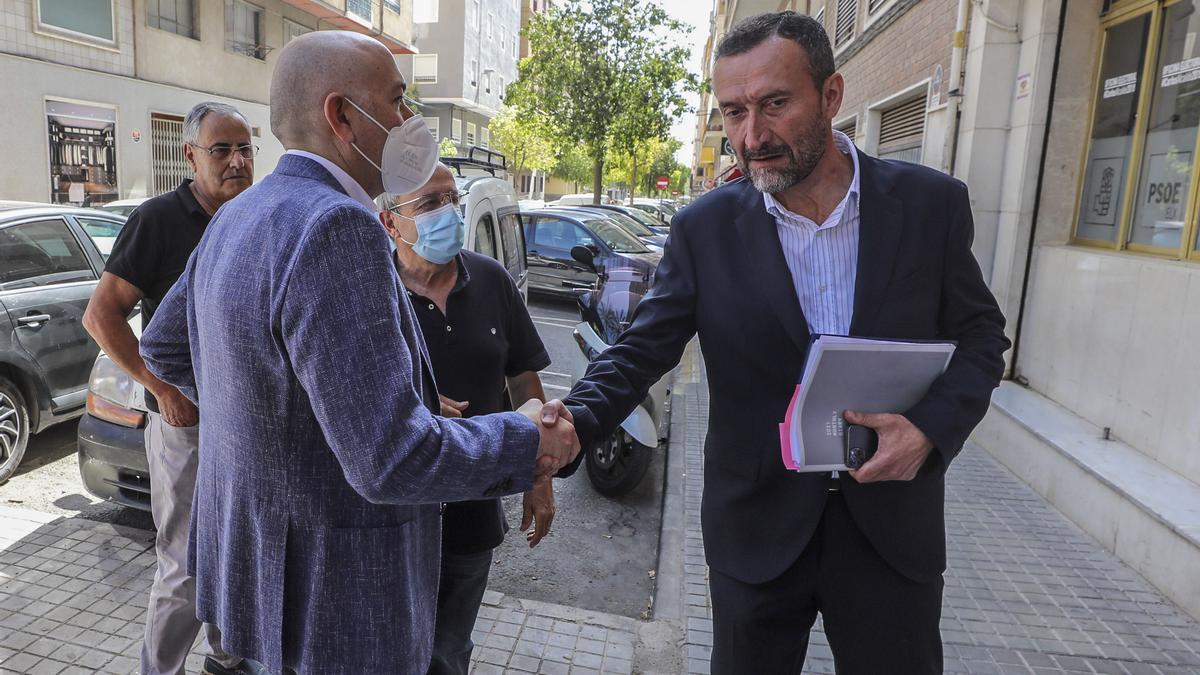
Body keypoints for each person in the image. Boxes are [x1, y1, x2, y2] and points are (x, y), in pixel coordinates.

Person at [556, 12, 1010, 674]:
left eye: (774, 103)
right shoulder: (704, 228)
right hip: (755, 533)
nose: (751, 135)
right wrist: (570, 422)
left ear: (830, 95)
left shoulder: (929, 205)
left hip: (890, 527)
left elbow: (981, 337)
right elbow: (641, 349)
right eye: (733, 111)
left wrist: (930, 430)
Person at [138, 31, 579, 675]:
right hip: (333, 605)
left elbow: (168, 349)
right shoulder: (335, 226)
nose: (409, 121)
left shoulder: (238, 213)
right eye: (398, 101)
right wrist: (523, 442)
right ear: (341, 115)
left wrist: (299, 424)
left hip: (254, 583)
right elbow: (389, 460)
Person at [83, 102, 264, 675]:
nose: (237, 162)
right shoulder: (160, 220)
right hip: (186, 417)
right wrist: (159, 388)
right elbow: (101, 315)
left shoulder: (256, 216)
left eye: (245, 149)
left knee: (238, 547)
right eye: (221, 151)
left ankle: (228, 656)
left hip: (247, 418)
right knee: (185, 558)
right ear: (190, 156)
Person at [377, 165, 556, 674]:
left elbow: (524, 379)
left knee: (448, 653)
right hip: (396, 516)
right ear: (391, 223)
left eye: (451, 199)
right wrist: (415, 408)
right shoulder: (373, 293)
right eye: (430, 204)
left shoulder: (492, 280)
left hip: (473, 512)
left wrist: (538, 474)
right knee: (389, 651)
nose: (448, 213)